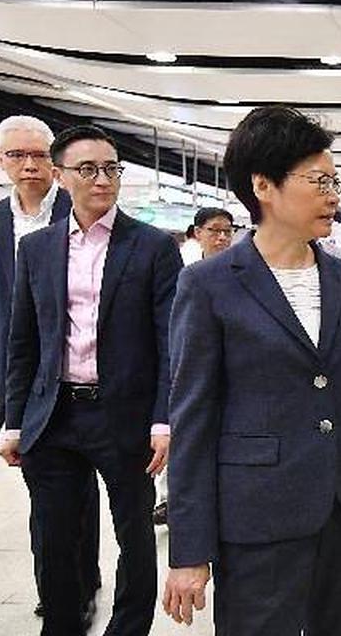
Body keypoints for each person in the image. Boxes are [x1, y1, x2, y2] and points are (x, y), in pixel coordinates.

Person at [163, 105, 341, 635]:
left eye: (335, 179)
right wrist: (189, 550)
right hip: (258, 513)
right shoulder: (210, 285)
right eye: (319, 180)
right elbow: (194, 421)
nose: (333, 194)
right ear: (264, 186)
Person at [4, 124, 182, 636]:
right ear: (60, 176)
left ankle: (128, 628)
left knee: (134, 532)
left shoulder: (151, 247)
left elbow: (170, 341)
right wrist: (14, 421)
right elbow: (24, 343)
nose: (102, 179)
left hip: (122, 412)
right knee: (55, 536)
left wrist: (163, 417)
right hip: (54, 413)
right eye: (88, 169)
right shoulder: (36, 249)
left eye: (111, 169)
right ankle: (62, 623)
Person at [0, 115, 101, 617]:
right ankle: (66, 586)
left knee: (73, 486)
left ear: (57, 163)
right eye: (16, 156)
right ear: (0, 162)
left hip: (77, 373)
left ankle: (75, 586)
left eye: (39, 155)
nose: (29, 165)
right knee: (49, 490)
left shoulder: (82, 211)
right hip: (19, 374)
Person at [152, 206, 236, 526]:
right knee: (182, 431)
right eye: (214, 230)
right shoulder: (183, 272)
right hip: (186, 363)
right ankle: (169, 499)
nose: (221, 237)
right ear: (197, 233)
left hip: (225, 367)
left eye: (227, 231)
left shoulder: (239, 270)